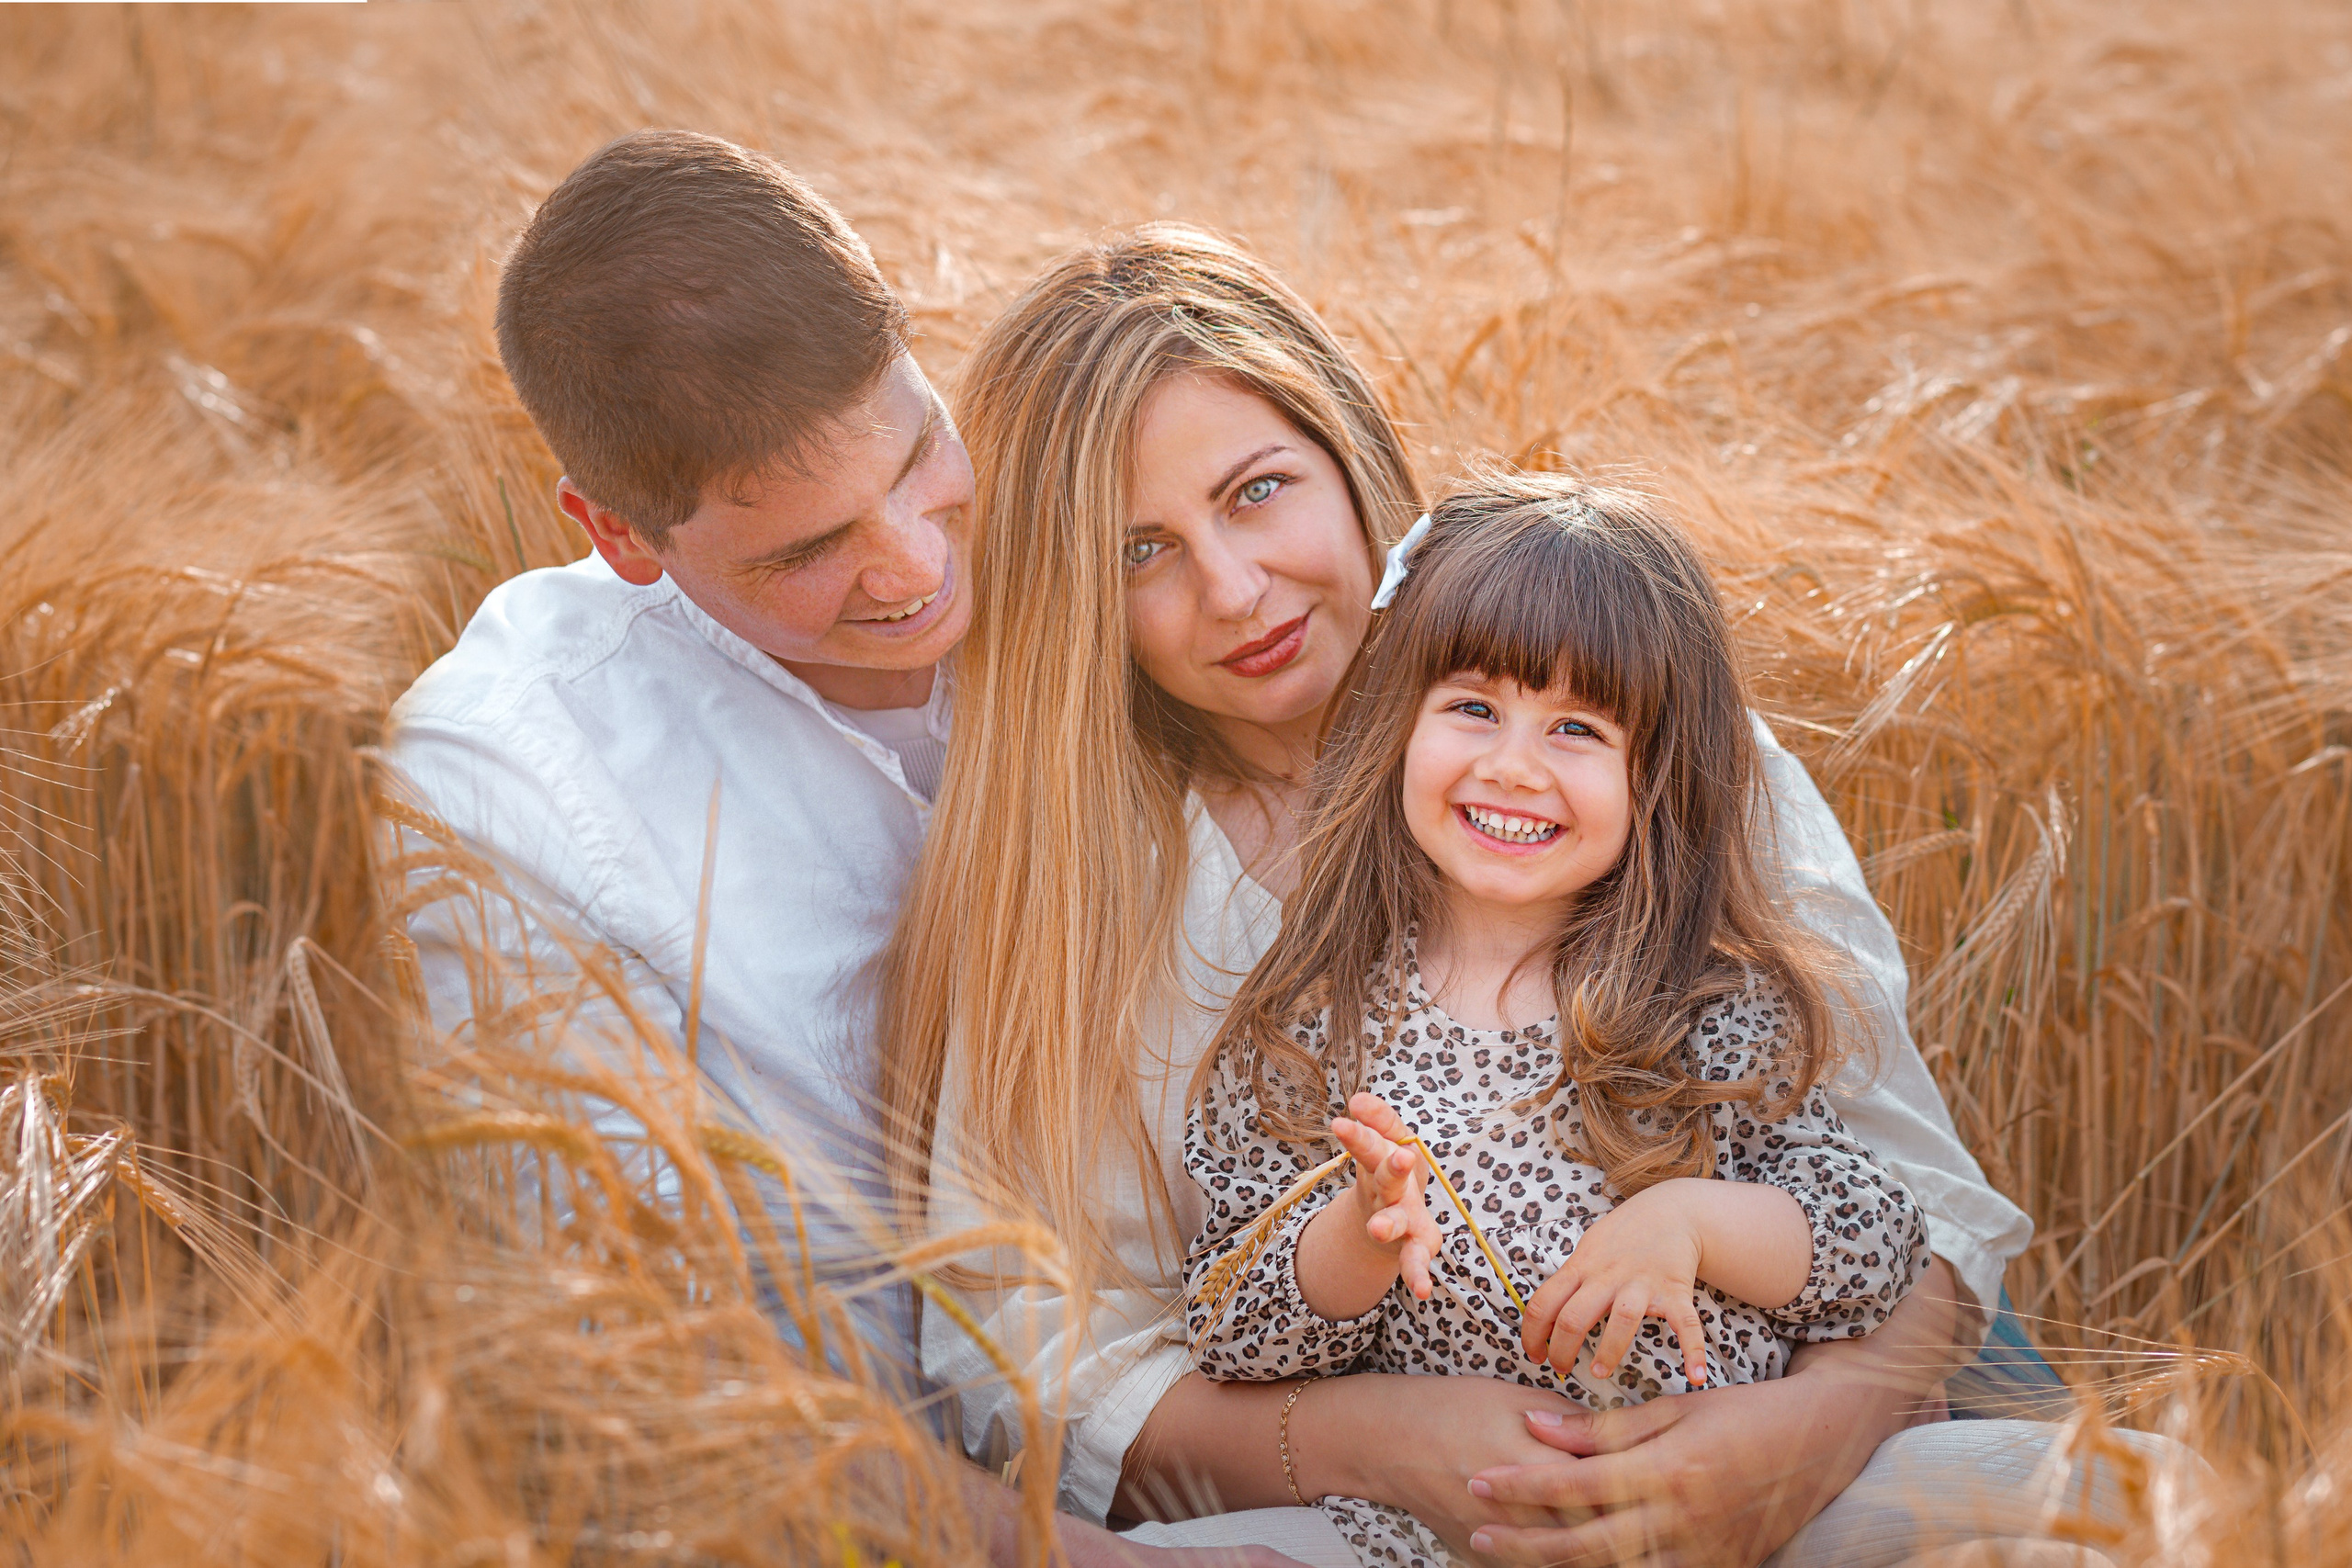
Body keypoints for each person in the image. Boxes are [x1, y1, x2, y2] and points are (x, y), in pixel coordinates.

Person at [886, 225, 2169, 1566]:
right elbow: (1029, 1352)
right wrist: (1372, 1435)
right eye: (1140, 550)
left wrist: (1810, 1427)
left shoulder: (1644, 732)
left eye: (1259, 490)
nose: (1234, 586)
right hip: (1392, 1512)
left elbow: (1904, 1190)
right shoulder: (1091, 890)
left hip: (1805, 1402)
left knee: (2139, 1506)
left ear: (1347, 454)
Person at [388, 130, 1285, 1568]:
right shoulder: (509, 786)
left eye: (918, 457)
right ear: (620, 537)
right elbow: (641, 1368)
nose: (919, 571)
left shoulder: (1111, 517)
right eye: (807, 552)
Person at [1183, 476, 1931, 1567]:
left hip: (1737, 1525)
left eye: (1577, 728)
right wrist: (1357, 1235)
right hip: (1447, 1534)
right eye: (1474, 708)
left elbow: (1876, 1249)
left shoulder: (1703, 1006)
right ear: (1400, 727)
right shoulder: (1312, 1024)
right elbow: (1231, 1331)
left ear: (1655, 778)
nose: (1513, 765)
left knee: (2097, 1501)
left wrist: (1689, 1220)